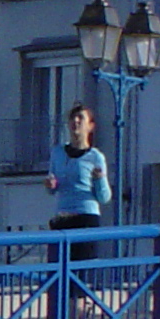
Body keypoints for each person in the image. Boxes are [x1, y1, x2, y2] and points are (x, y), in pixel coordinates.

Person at [45, 104, 110, 261]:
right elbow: (53, 188)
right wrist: (51, 185)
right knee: (58, 270)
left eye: (81, 118)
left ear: (90, 126)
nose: (76, 121)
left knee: (81, 272)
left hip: (85, 218)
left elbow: (104, 197)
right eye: (72, 118)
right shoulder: (57, 153)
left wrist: (99, 179)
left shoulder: (96, 157)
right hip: (62, 217)